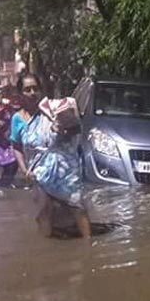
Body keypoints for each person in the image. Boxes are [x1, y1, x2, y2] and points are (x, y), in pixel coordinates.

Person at [10, 73, 92, 239]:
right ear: (20, 94)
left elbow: (76, 129)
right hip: (38, 172)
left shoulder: (54, 109)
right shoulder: (17, 119)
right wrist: (24, 170)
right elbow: (16, 145)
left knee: (77, 207)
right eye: (27, 89)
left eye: (35, 88)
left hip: (65, 169)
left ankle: (88, 247)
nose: (32, 92)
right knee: (44, 211)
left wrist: (61, 127)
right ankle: (45, 250)